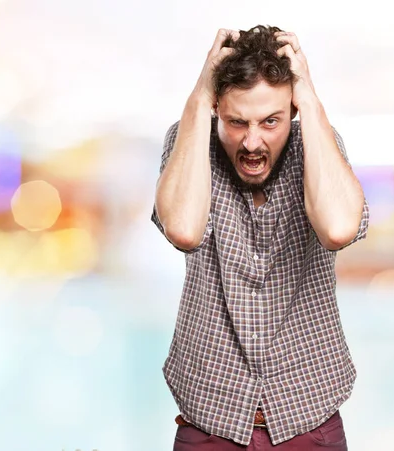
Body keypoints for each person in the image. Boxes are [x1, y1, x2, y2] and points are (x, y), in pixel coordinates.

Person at [151, 24, 370, 450]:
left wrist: (308, 98)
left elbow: (340, 227)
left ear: (291, 110)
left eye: (270, 121)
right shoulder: (188, 139)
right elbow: (183, 229)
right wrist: (199, 98)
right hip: (211, 417)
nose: (252, 142)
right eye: (237, 122)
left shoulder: (320, 143)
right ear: (217, 109)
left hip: (308, 417)